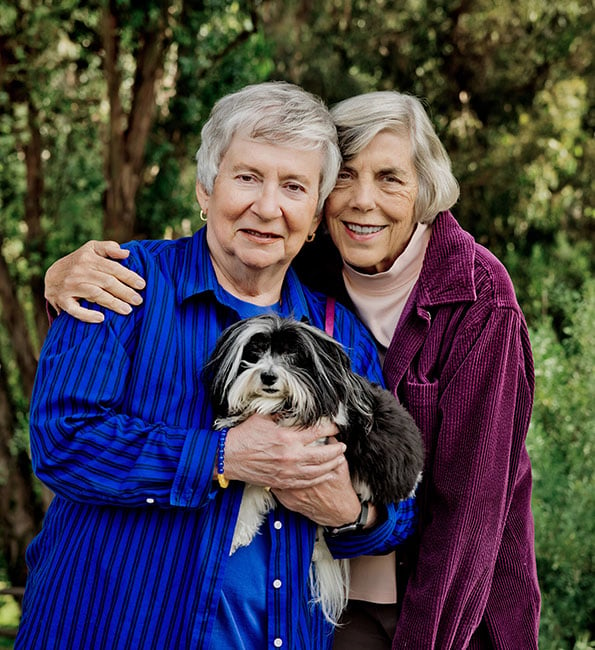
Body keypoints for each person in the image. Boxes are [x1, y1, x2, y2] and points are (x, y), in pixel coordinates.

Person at [44, 90, 541, 649]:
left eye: (294, 188)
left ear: (312, 217)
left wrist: (352, 514)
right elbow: (60, 441)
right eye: (248, 178)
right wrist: (224, 456)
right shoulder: (122, 284)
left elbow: (424, 508)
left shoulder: (341, 333)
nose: (267, 207)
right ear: (205, 189)